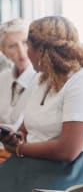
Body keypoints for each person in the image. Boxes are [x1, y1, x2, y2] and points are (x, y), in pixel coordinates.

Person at [0, 16, 83, 192]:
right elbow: (25, 129)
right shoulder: (42, 79)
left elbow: (68, 150)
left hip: (70, 172)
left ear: (41, 51)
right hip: (32, 166)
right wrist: (16, 138)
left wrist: (20, 149)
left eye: (27, 46)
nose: (25, 53)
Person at [0, 18, 37, 163]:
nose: (22, 51)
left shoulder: (42, 79)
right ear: (3, 51)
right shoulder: (2, 78)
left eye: (25, 43)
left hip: (21, 153)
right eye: (12, 46)